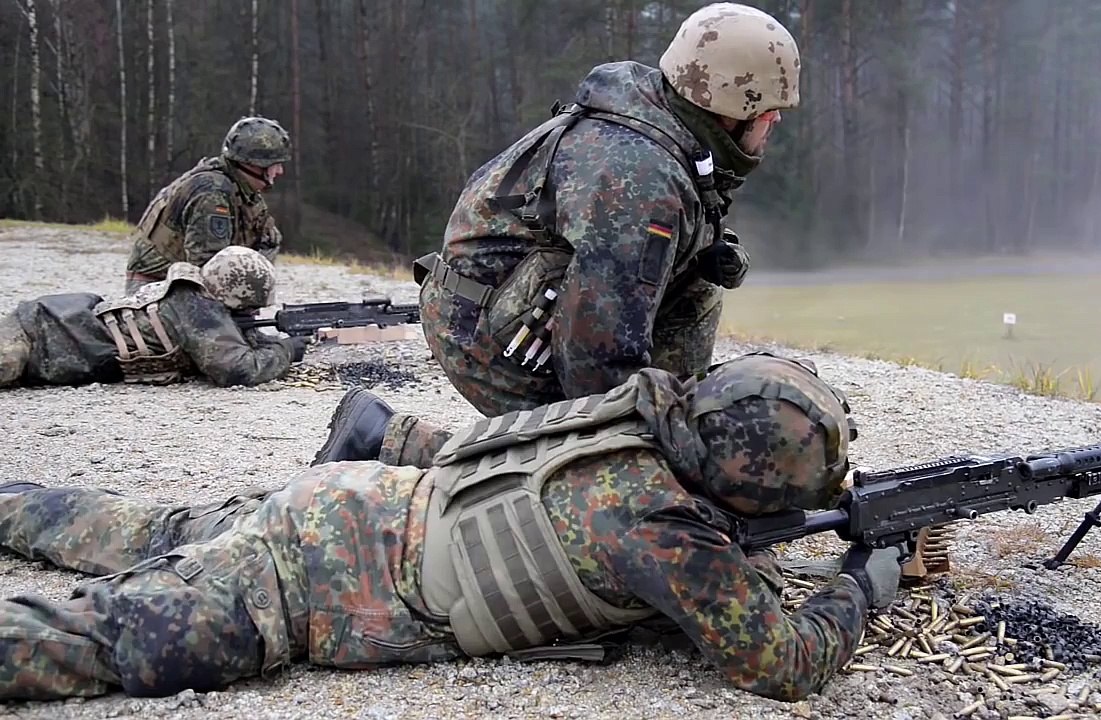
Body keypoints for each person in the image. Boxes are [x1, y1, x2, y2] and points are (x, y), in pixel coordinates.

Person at [0, 353, 902, 702]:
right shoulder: (662, 529)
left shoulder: (640, 414)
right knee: (91, 641)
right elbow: (784, 662)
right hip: (299, 588)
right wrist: (862, 584)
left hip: (346, 500)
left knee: (132, 528)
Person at [413, 2, 800, 416]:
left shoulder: (665, 125)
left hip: (506, 304)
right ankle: (396, 441)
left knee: (698, 286)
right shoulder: (644, 181)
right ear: (732, 108)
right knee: (623, 463)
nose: (775, 119)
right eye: (767, 109)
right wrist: (635, 431)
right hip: (483, 335)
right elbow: (597, 362)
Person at [0, 246, 306, 389]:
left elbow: (234, 343)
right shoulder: (196, 307)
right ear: (234, 296)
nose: (253, 315)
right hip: (38, 331)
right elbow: (236, 369)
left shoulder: (202, 299)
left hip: (51, 334)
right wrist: (286, 351)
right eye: (250, 308)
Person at [124, 116, 292, 293]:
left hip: (185, 286)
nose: (280, 171)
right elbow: (208, 265)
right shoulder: (212, 193)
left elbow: (265, 242)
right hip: (159, 290)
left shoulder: (241, 188)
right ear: (256, 164)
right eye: (275, 164)